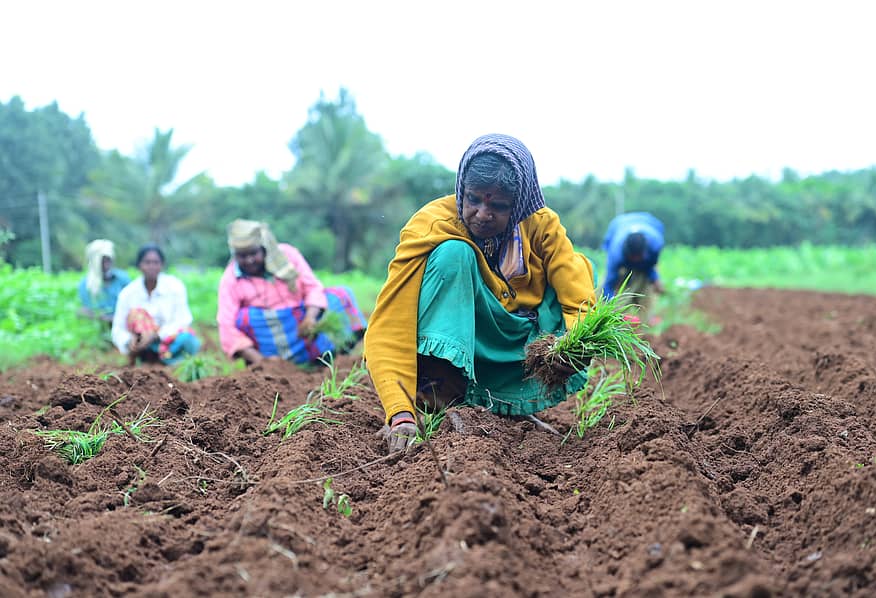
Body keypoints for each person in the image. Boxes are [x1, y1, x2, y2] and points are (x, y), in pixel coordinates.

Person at [365, 134, 597, 453]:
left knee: (580, 268)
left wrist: (577, 345)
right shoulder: (431, 225)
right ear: (461, 190)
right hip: (462, 342)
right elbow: (391, 322)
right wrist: (400, 412)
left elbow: (577, 296)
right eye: (473, 199)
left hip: (516, 344)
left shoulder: (541, 225)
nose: (482, 213)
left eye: (498, 206)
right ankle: (444, 400)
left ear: (518, 205)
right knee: (453, 255)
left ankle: (503, 407)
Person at [216, 219, 367, 366]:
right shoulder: (230, 280)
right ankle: (272, 364)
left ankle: (332, 357)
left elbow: (312, 287)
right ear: (235, 255)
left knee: (341, 295)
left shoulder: (287, 255)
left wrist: (310, 318)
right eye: (242, 256)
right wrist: (261, 361)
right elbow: (226, 324)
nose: (249, 260)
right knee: (241, 319)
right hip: (269, 337)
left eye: (253, 254)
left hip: (302, 322)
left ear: (263, 248)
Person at [111, 244, 201, 365]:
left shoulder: (175, 287)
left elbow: (183, 320)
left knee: (188, 341)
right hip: (141, 343)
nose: (151, 267)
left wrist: (156, 335)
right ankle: (150, 359)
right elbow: (117, 328)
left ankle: (166, 362)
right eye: (147, 262)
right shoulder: (128, 294)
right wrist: (128, 341)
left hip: (169, 340)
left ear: (162, 265)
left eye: (156, 262)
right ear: (139, 265)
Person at [601, 212, 665, 316]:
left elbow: (650, 265)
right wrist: (612, 310)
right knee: (616, 289)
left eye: (638, 258)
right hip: (619, 224)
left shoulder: (655, 244)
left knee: (645, 294)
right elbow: (608, 284)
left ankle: (643, 319)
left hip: (649, 222)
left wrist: (655, 279)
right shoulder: (616, 252)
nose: (635, 261)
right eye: (633, 258)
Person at [77, 239, 131, 323]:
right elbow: (87, 310)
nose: (106, 265)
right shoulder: (86, 285)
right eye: (102, 261)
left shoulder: (123, 279)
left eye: (108, 260)